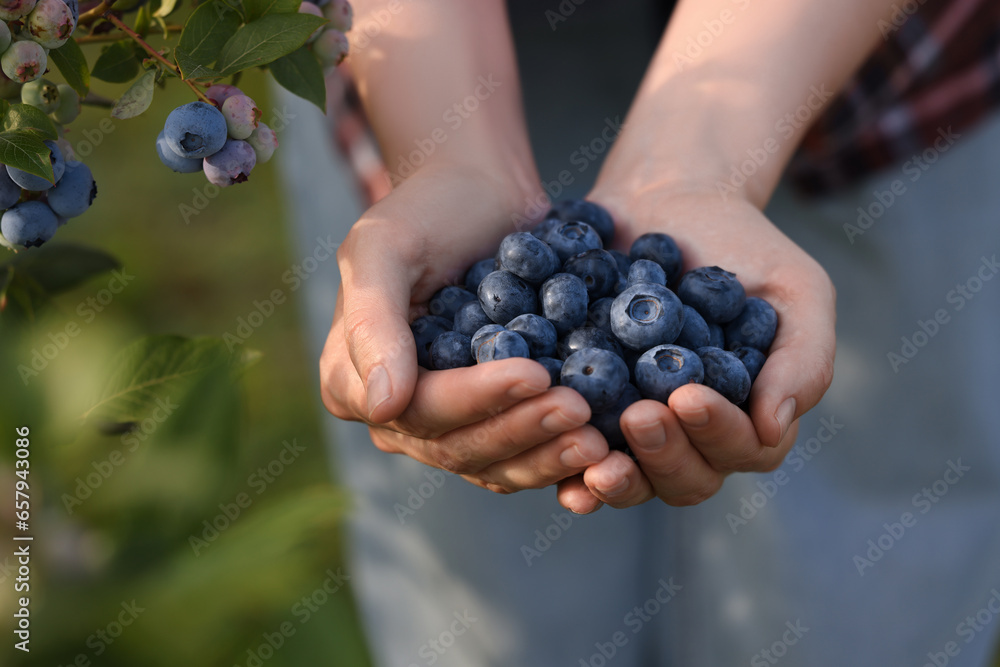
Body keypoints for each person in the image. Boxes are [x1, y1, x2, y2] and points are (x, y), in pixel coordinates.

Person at [275, 0, 1000, 664]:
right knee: (493, 606)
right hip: (419, 49)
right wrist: (449, 155)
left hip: (865, 62)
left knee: (866, 557)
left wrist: (702, 162)